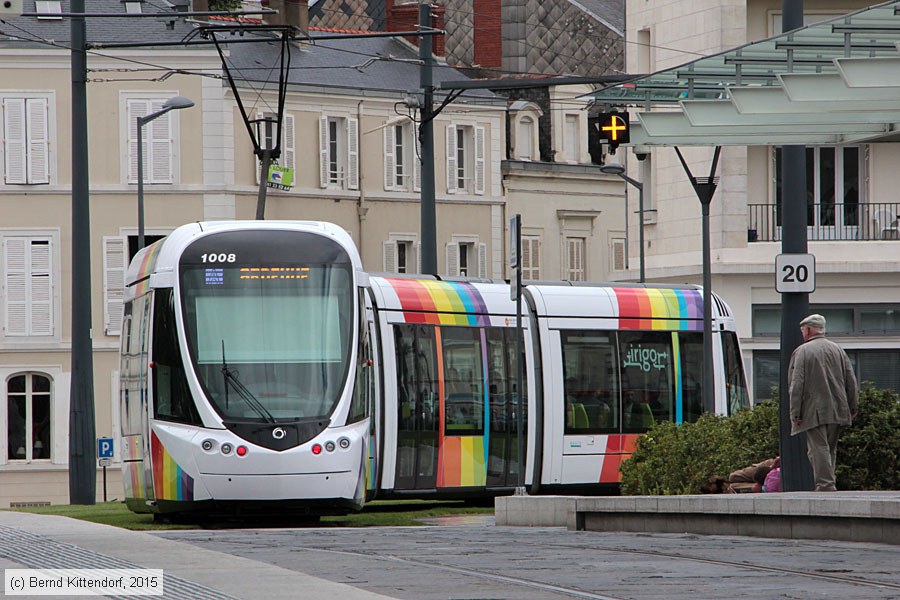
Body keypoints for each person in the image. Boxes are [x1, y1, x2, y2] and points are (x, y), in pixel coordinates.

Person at [788, 314, 859, 492]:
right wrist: (852, 406)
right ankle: (828, 481)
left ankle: (825, 485)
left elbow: (797, 385)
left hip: (814, 409)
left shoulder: (802, 351)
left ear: (809, 329)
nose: (802, 333)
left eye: (803, 330)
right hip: (838, 407)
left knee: (817, 448)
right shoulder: (837, 350)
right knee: (830, 448)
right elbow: (851, 380)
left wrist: (795, 412)